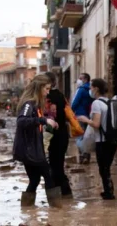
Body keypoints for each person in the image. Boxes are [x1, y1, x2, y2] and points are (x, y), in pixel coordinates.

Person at [13, 74, 61, 208]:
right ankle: (57, 210)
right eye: (46, 89)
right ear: (39, 88)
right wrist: (44, 120)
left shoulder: (36, 105)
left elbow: (34, 122)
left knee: (34, 179)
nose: (48, 92)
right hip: (30, 150)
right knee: (48, 174)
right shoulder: (29, 103)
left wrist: (47, 121)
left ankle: (27, 210)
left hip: (31, 148)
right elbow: (21, 121)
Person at [76, 78, 117, 199]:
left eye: (91, 87)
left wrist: (85, 120)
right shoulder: (110, 102)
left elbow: (96, 124)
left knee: (103, 168)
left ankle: (109, 194)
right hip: (112, 140)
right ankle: (108, 191)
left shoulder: (96, 104)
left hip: (102, 141)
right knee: (107, 167)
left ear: (96, 89)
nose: (90, 90)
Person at [44, 72, 82, 199]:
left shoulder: (48, 97)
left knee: (55, 166)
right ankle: (64, 195)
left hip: (53, 134)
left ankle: (61, 196)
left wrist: (44, 139)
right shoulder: (60, 95)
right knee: (57, 164)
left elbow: (49, 118)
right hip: (62, 134)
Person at [70, 73, 93, 164]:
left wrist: (71, 113)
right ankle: (87, 156)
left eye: (80, 78)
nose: (79, 80)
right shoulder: (91, 89)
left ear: (86, 79)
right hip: (89, 115)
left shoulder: (81, 89)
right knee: (87, 136)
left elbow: (75, 102)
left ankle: (82, 157)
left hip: (80, 115)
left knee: (80, 135)